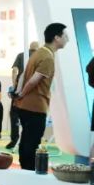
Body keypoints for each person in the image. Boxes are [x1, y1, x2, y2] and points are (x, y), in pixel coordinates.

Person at [13, 23, 68, 170]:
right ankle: (29, 172)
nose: (67, 39)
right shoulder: (47, 57)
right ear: (56, 38)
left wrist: (19, 95)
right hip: (35, 106)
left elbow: (24, 76)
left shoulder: (39, 53)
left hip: (26, 106)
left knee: (26, 140)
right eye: (65, 36)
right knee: (32, 143)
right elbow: (34, 80)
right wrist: (21, 94)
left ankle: (25, 171)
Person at [5, 42, 38, 150]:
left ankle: (14, 139)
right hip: (34, 91)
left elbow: (14, 71)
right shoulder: (40, 57)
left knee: (14, 114)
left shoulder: (21, 55)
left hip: (20, 89)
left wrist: (14, 85)